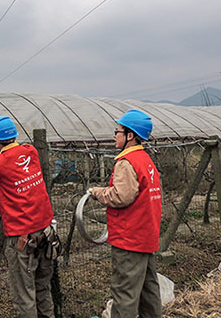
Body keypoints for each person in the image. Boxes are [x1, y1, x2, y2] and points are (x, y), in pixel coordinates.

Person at [0, 116, 58, 318]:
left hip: (22, 238)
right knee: (42, 288)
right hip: (46, 232)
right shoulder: (31, 152)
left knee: (24, 294)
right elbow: (11, 154)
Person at [90, 109, 162, 318]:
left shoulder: (126, 162)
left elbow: (121, 196)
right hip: (146, 236)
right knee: (149, 292)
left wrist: (97, 192)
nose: (115, 135)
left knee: (125, 296)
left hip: (129, 239)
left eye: (118, 131)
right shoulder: (145, 160)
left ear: (130, 135)